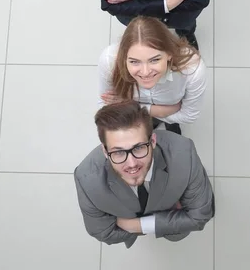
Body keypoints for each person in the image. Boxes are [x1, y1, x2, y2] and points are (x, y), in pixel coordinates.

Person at [74, 101, 215, 248]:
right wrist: (167, 221)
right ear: (105, 151)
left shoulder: (185, 155)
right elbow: (103, 233)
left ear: (153, 141)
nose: (132, 163)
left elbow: (200, 216)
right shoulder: (87, 179)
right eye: (118, 152)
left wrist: (136, 225)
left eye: (139, 148)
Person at [96, 16, 207, 135]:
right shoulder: (110, 60)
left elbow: (189, 116)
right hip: (168, 110)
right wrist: (159, 112)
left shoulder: (192, 68)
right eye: (134, 61)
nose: (145, 72)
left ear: (169, 53)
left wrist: (132, 105)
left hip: (136, 108)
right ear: (124, 58)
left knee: (172, 129)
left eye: (154, 60)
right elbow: (105, 106)